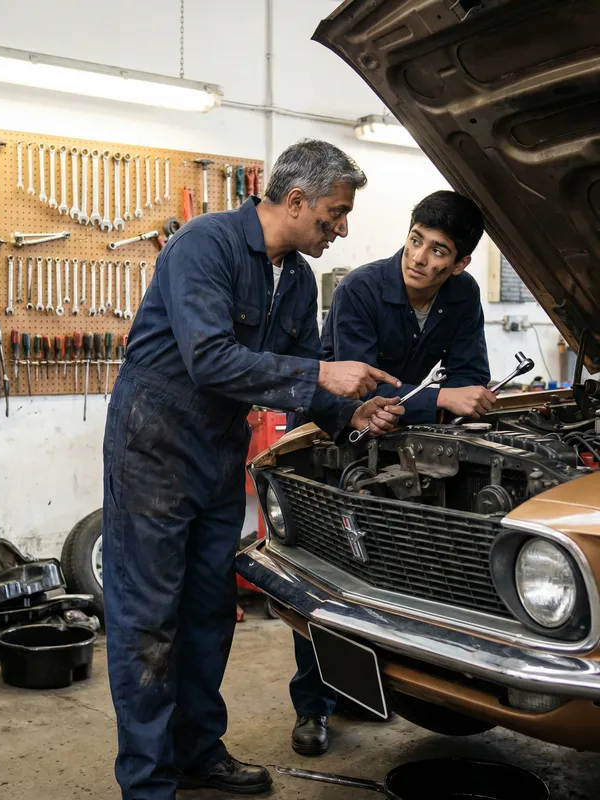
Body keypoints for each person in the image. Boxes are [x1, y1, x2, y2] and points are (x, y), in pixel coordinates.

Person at [102, 139, 406, 800]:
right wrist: (323, 372)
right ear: (295, 200)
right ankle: (148, 783)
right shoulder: (204, 247)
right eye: (335, 213)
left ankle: (197, 752)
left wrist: (347, 415)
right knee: (150, 617)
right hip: (152, 445)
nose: (342, 227)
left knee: (210, 609)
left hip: (216, 453)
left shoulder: (294, 278)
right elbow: (211, 359)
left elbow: (294, 379)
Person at [289, 189, 493, 757]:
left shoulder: (463, 295)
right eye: (415, 240)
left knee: (392, 574)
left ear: (460, 263)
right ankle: (312, 706)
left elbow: (472, 373)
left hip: (399, 442)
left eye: (438, 251)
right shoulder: (361, 288)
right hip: (335, 433)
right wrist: (442, 400)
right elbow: (361, 388)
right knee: (329, 577)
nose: (420, 258)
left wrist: (458, 400)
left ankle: (367, 685)